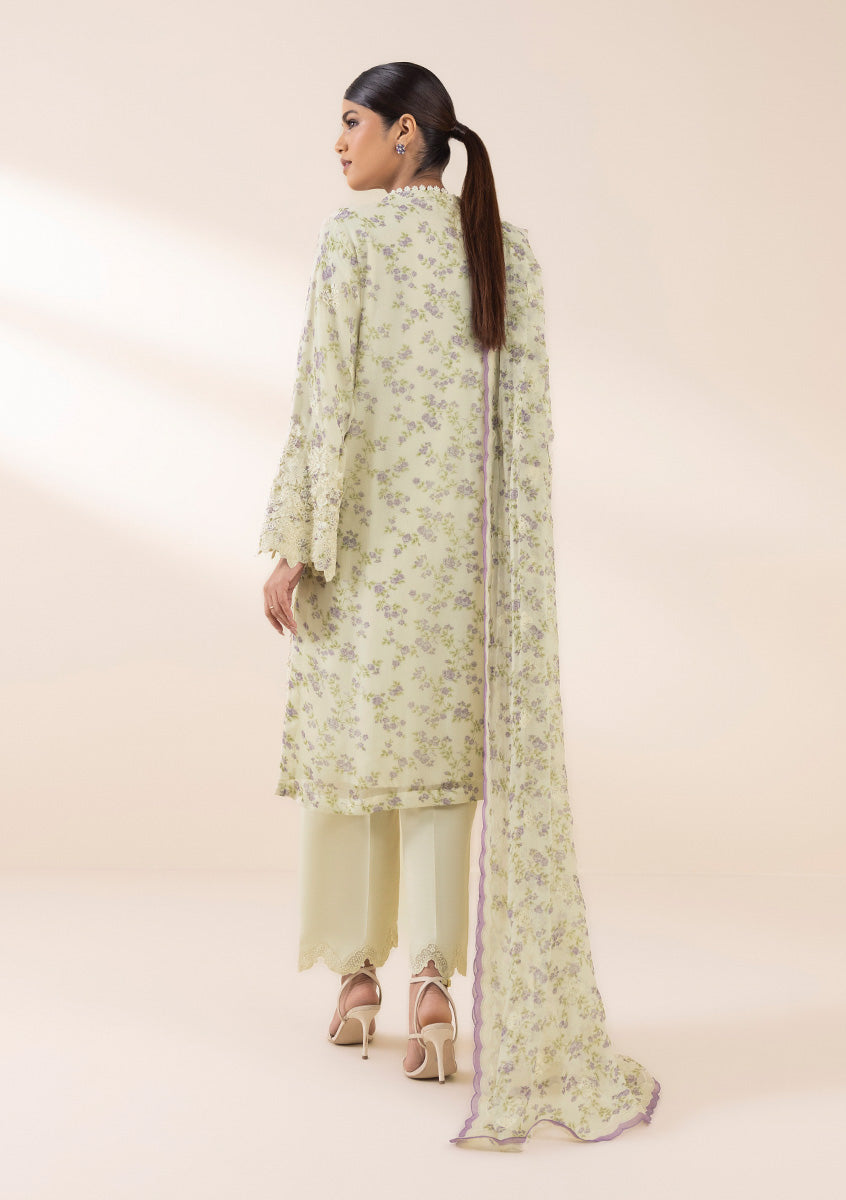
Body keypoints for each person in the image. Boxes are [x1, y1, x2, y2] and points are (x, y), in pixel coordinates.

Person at [259, 62, 661, 1150]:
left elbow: (324, 400)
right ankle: (434, 991)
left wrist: (294, 546)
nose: (338, 144)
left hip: (361, 549)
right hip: (461, 564)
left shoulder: (352, 243)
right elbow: (523, 430)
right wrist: (511, 573)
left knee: (356, 755)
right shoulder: (502, 250)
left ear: (406, 134)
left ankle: (357, 981)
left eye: (351, 123)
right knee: (441, 765)